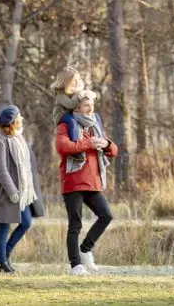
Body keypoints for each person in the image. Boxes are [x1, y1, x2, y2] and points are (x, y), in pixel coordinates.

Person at [56, 90, 117, 276]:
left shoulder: (95, 124)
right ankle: (76, 265)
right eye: (86, 105)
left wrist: (105, 144)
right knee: (75, 224)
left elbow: (113, 151)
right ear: (77, 107)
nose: (91, 108)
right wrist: (88, 144)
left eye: (92, 104)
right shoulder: (67, 123)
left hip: (92, 181)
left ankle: (84, 250)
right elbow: (63, 147)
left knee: (106, 215)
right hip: (73, 181)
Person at [0, 105, 44, 273]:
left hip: (22, 191)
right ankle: (2, 264)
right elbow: (1, 170)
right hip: (6, 191)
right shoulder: (1, 141)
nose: (22, 119)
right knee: (4, 226)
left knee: (26, 222)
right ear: (12, 122)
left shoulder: (19, 138)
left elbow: (27, 164)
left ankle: (4, 253)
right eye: (19, 117)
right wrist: (12, 191)